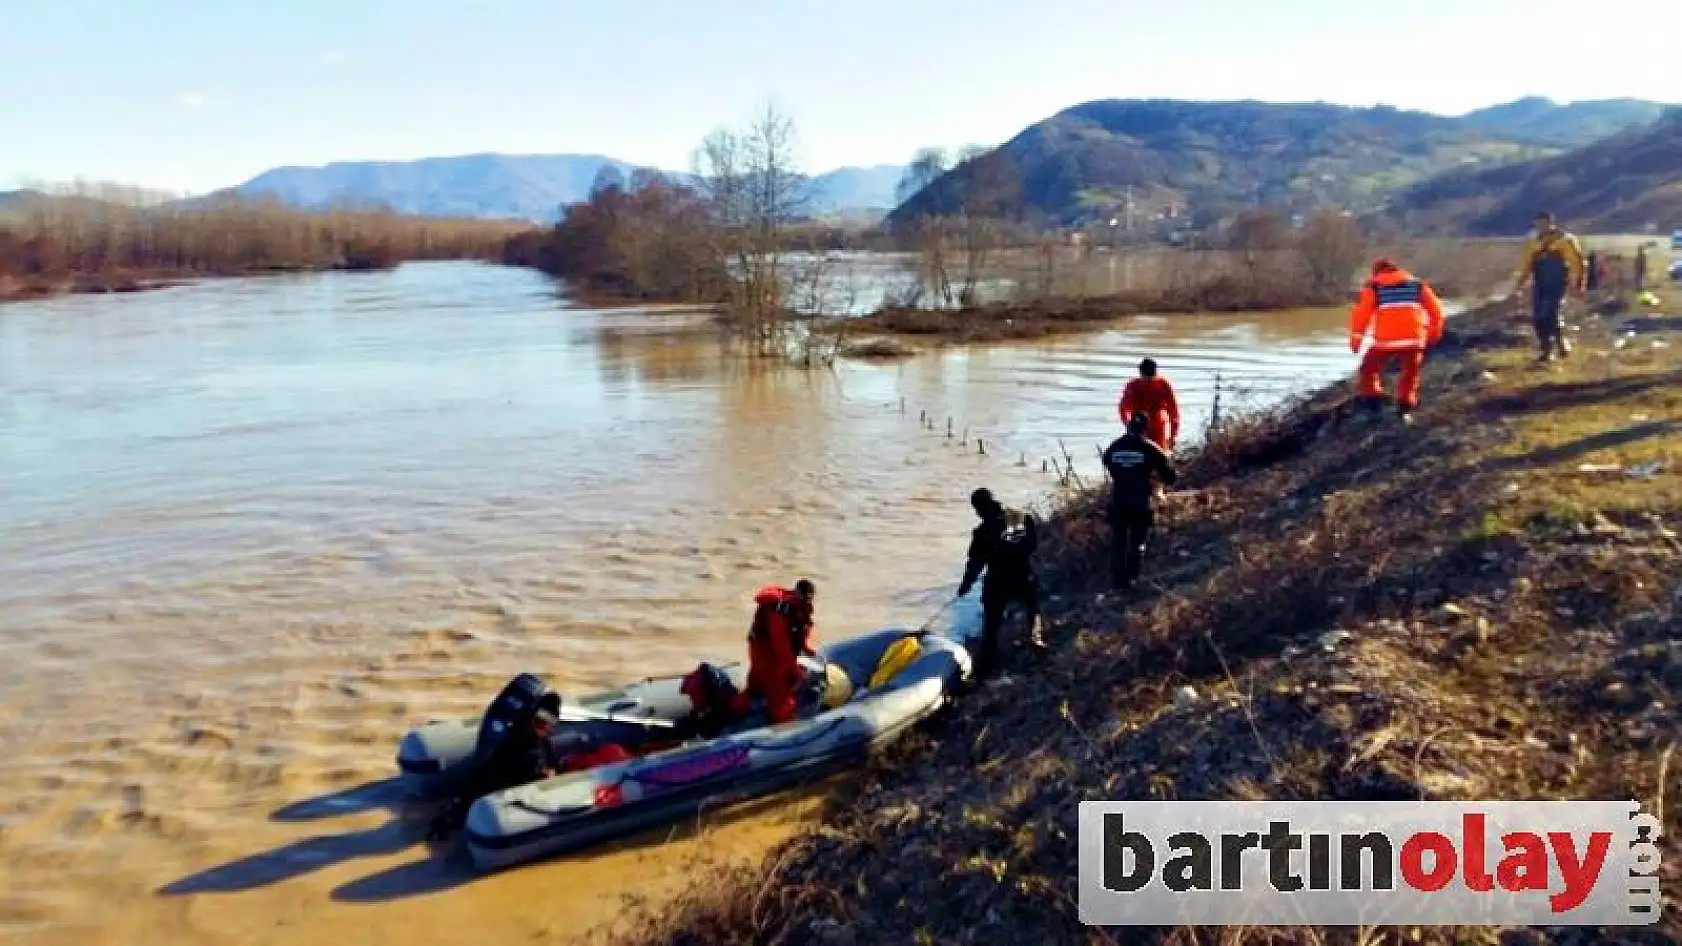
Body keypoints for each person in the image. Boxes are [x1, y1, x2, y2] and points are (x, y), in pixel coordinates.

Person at [957, 488, 1045, 680]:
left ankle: (987, 663)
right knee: (1032, 606)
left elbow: (975, 564)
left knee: (991, 621)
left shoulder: (983, 531)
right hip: (1023, 573)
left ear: (978, 508)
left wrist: (966, 585)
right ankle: (1035, 639)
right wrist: (1014, 552)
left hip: (998, 579)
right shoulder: (1021, 518)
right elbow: (1032, 545)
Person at [1348, 257, 1446, 423]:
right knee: (1410, 374)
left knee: (1368, 369)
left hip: (1385, 341)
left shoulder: (1374, 287)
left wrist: (1356, 339)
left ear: (1376, 272)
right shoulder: (1417, 285)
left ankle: (1374, 405)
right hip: (1414, 340)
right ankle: (1404, 410)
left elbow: (1361, 315)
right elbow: (1436, 310)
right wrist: (1434, 332)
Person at [1101, 412, 1178, 591]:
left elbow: (1107, 461)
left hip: (1119, 501)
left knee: (1119, 542)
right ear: (1146, 428)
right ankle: (1132, 579)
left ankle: (1118, 582)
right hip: (1140, 502)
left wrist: (1122, 474)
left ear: (1128, 426)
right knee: (1137, 542)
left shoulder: (1115, 446)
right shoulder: (1149, 448)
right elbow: (1170, 475)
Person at [730, 580, 817, 725]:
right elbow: (781, 646)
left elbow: (802, 629)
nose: (807, 600)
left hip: (770, 650)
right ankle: (784, 728)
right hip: (763, 650)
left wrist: (806, 648)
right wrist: (795, 671)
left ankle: (737, 710)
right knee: (781, 697)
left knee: (756, 684)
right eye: (805, 597)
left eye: (809, 598)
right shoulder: (781, 611)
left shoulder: (801, 609)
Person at [1512, 211, 1585, 363]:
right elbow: (1526, 264)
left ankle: (1560, 343)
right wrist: (1520, 283)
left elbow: (1577, 262)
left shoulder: (1564, 239)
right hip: (1540, 282)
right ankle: (1546, 349)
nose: (1541, 226)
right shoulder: (1533, 242)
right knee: (1538, 316)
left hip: (1558, 281)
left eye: (1544, 223)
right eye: (1538, 223)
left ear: (1551, 223)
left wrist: (1578, 283)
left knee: (1551, 313)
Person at [1116, 358, 1181, 453]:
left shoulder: (1164, 385)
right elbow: (1123, 408)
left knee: (1158, 453)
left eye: (1151, 379)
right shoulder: (1132, 386)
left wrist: (1173, 435)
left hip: (1158, 425)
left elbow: (1174, 412)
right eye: (1145, 379)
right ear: (1140, 374)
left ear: (1156, 374)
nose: (1148, 381)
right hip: (1138, 425)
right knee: (1138, 453)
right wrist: (1127, 424)